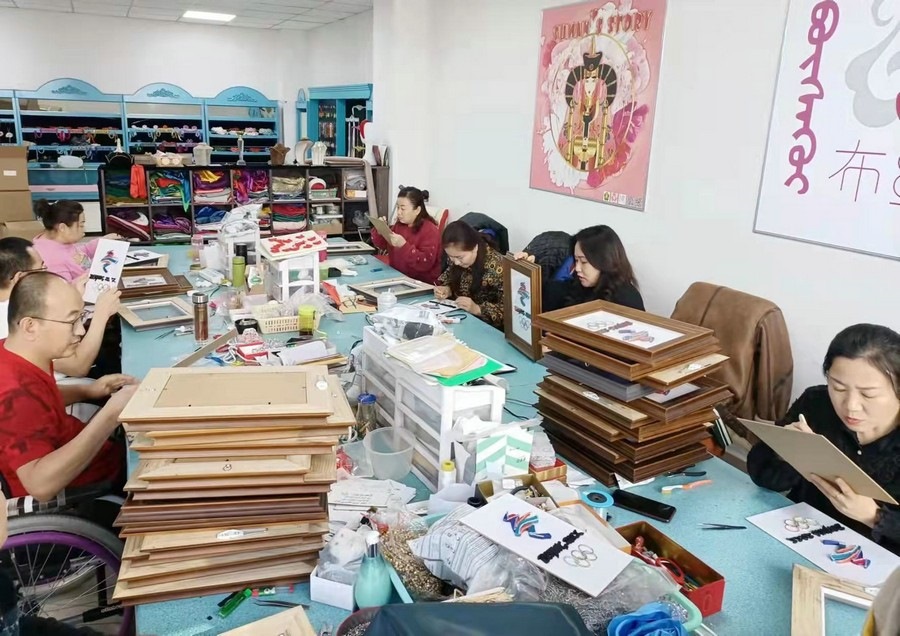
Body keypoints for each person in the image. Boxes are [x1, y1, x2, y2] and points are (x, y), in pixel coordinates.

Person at [747, 324, 900, 555]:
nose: (851, 406)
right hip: (799, 535)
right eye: (838, 388)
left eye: (868, 394)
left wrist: (873, 516)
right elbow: (764, 478)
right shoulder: (816, 403)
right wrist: (787, 450)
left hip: (875, 561)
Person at [0, 271, 136, 502]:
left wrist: (87, 390)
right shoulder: (14, 393)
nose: (80, 330)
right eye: (71, 321)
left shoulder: (13, 351)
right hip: (91, 488)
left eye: (81, 318)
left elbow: (39, 401)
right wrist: (110, 416)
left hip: (89, 450)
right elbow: (40, 485)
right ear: (30, 326)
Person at [0, 237, 122, 378]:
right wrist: (101, 315)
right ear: (20, 277)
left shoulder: (17, 304)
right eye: (41, 268)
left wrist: (75, 299)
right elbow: (77, 367)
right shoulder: (14, 320)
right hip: (61, 383)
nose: (46, 272)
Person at [520, 225, 643, 312]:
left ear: (605, 262)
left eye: (584, 262)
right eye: (576, 260)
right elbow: (550, 293)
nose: (577, 268)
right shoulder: (577, 286)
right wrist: (526, 270)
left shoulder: (627, 299)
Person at [435, 221, 504, 328]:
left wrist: (478, 309)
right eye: (451, 257)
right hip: (459, 318)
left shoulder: (498, 267)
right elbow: (448, 278)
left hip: (486, 327)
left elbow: (510, 312)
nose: (456, 262)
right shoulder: (456, 257)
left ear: (475, 247)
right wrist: (447, 289)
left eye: (459, 257)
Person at [31, 200, 121, 282]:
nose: (84, 229)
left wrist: (103, 242)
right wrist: (97, 266)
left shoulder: (54, 241)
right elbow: (68, 290)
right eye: (81, 225)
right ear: (62, 227)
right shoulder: (53, 261)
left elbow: (77, 252)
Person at [370, 186, 441, 284]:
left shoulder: (430, 230)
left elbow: (425, 263)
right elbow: (383, 245)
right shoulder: (400, 225)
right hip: (397, 277)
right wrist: (380, 230)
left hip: (421, 283)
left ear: (417, 210)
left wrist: (404, 246)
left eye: (403, 209)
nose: (399, 212)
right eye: (398, 207)